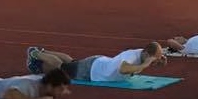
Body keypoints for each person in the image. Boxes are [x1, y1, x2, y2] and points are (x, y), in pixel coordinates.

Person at [26, 42, 167, 81]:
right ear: (146, 54)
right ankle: (35, 53)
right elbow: (123, 69)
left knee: (71, 62)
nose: (153, 61)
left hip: (96, 63)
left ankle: (42, 52)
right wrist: (146, 64)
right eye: (154, 58)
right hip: (91, 70)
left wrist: (155, 61)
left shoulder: (142, 54)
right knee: (61, 66)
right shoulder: (132, 56)